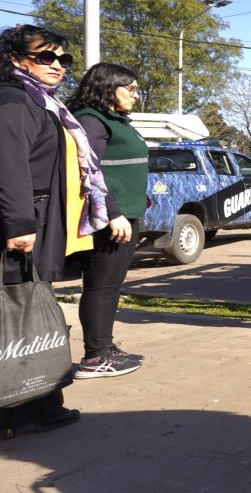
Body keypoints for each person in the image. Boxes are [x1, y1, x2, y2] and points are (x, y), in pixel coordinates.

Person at [0, 24, 106, 436]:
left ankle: (36, 402)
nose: (58, 66)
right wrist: (20, 223)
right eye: (47, 57)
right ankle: (24, 407)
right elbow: (9, 166)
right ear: (15, 58)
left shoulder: (39, 100)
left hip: (38, 217)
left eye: (64, 59)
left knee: (28, 312)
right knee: (18, 314)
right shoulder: (13, 101)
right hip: (24, 221)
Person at [67, 63, 149, 378]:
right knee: (101, 287)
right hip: (110, 220)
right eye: (129, 89)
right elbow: (91, 171)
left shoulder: (114, 120)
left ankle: (105, 346)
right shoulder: (91, 119)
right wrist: (113, 213)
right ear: (107, 86)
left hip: (127, 214)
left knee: (112, 286)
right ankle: (94, 358)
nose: (135, 95)